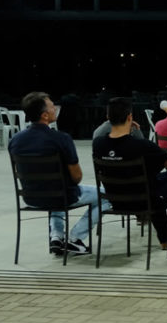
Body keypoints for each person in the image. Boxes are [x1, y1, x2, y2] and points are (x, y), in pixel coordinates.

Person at [9, 91, 109, 256]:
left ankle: (56, 236)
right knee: (108, 195)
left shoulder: (15, 140)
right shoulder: (61, 138)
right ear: (45, 115)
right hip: (61, 196)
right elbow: (77, 178)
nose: (55, 108)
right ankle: (75, 237)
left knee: (56, 189)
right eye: (51, 107)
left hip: (31, 198)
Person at [93, 96, 167, 251]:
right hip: (144, 200)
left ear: (108, 117)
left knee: (151, 181)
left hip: (115, 199)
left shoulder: (98, 144)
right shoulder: (141, 145)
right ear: (129, 117)